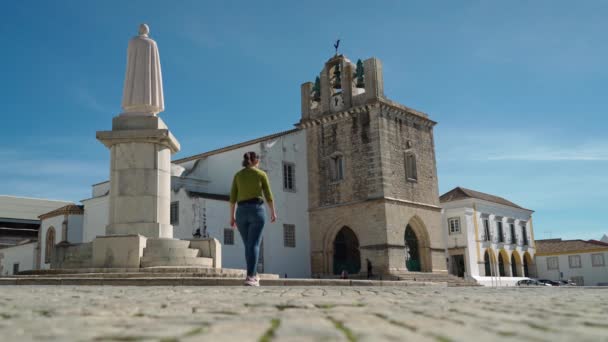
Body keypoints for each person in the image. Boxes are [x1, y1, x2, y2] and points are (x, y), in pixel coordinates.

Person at [229, 151, 277, 286]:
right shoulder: (261, 174)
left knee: (248, 245)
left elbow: (232, 198)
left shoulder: (238, 175)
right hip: (257, 210)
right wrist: (273, 211)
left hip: (241, 212)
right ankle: (250, 277)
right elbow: (268, 195)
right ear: (256, 161)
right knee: (254, 244)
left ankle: (253, 274)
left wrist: (232, 217)